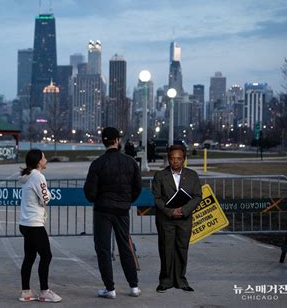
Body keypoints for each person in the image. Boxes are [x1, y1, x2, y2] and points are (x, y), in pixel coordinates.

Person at [84, 127, 143, 299]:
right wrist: (127, 201)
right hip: (122, 210)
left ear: (104, 142)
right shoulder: (130, 162)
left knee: (103, 249)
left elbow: (89, 192)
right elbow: (138, 187)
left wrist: (98, 199)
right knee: (125, 246)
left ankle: (109, 288)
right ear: (117, 140)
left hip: (103, 210)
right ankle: (134, 286)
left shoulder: (97, 164)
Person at [152, 144, 202, 293]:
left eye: (179, 159)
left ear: (184, 159)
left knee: (182, 249)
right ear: (168, 159)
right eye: (172, 159)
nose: (175, 162)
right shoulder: (160, 176)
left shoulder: (192, 175)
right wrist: (170, 212)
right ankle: (165, 281)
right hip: (166, 219)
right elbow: (157, 198)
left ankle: (180, 280)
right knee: (166, 249)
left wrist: (184, 210)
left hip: (184, 219)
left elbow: (197, 196)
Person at [18, 149, 62, 303]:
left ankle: (26, 292)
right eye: (44, 157)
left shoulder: (28, 176)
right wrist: (48, 195)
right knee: (46, 255)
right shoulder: (38, 176)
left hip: (25, 223)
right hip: (34, 224)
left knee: (29, 257)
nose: (46, 159)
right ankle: (44, 291)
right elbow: (46, 198)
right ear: (38, 162)